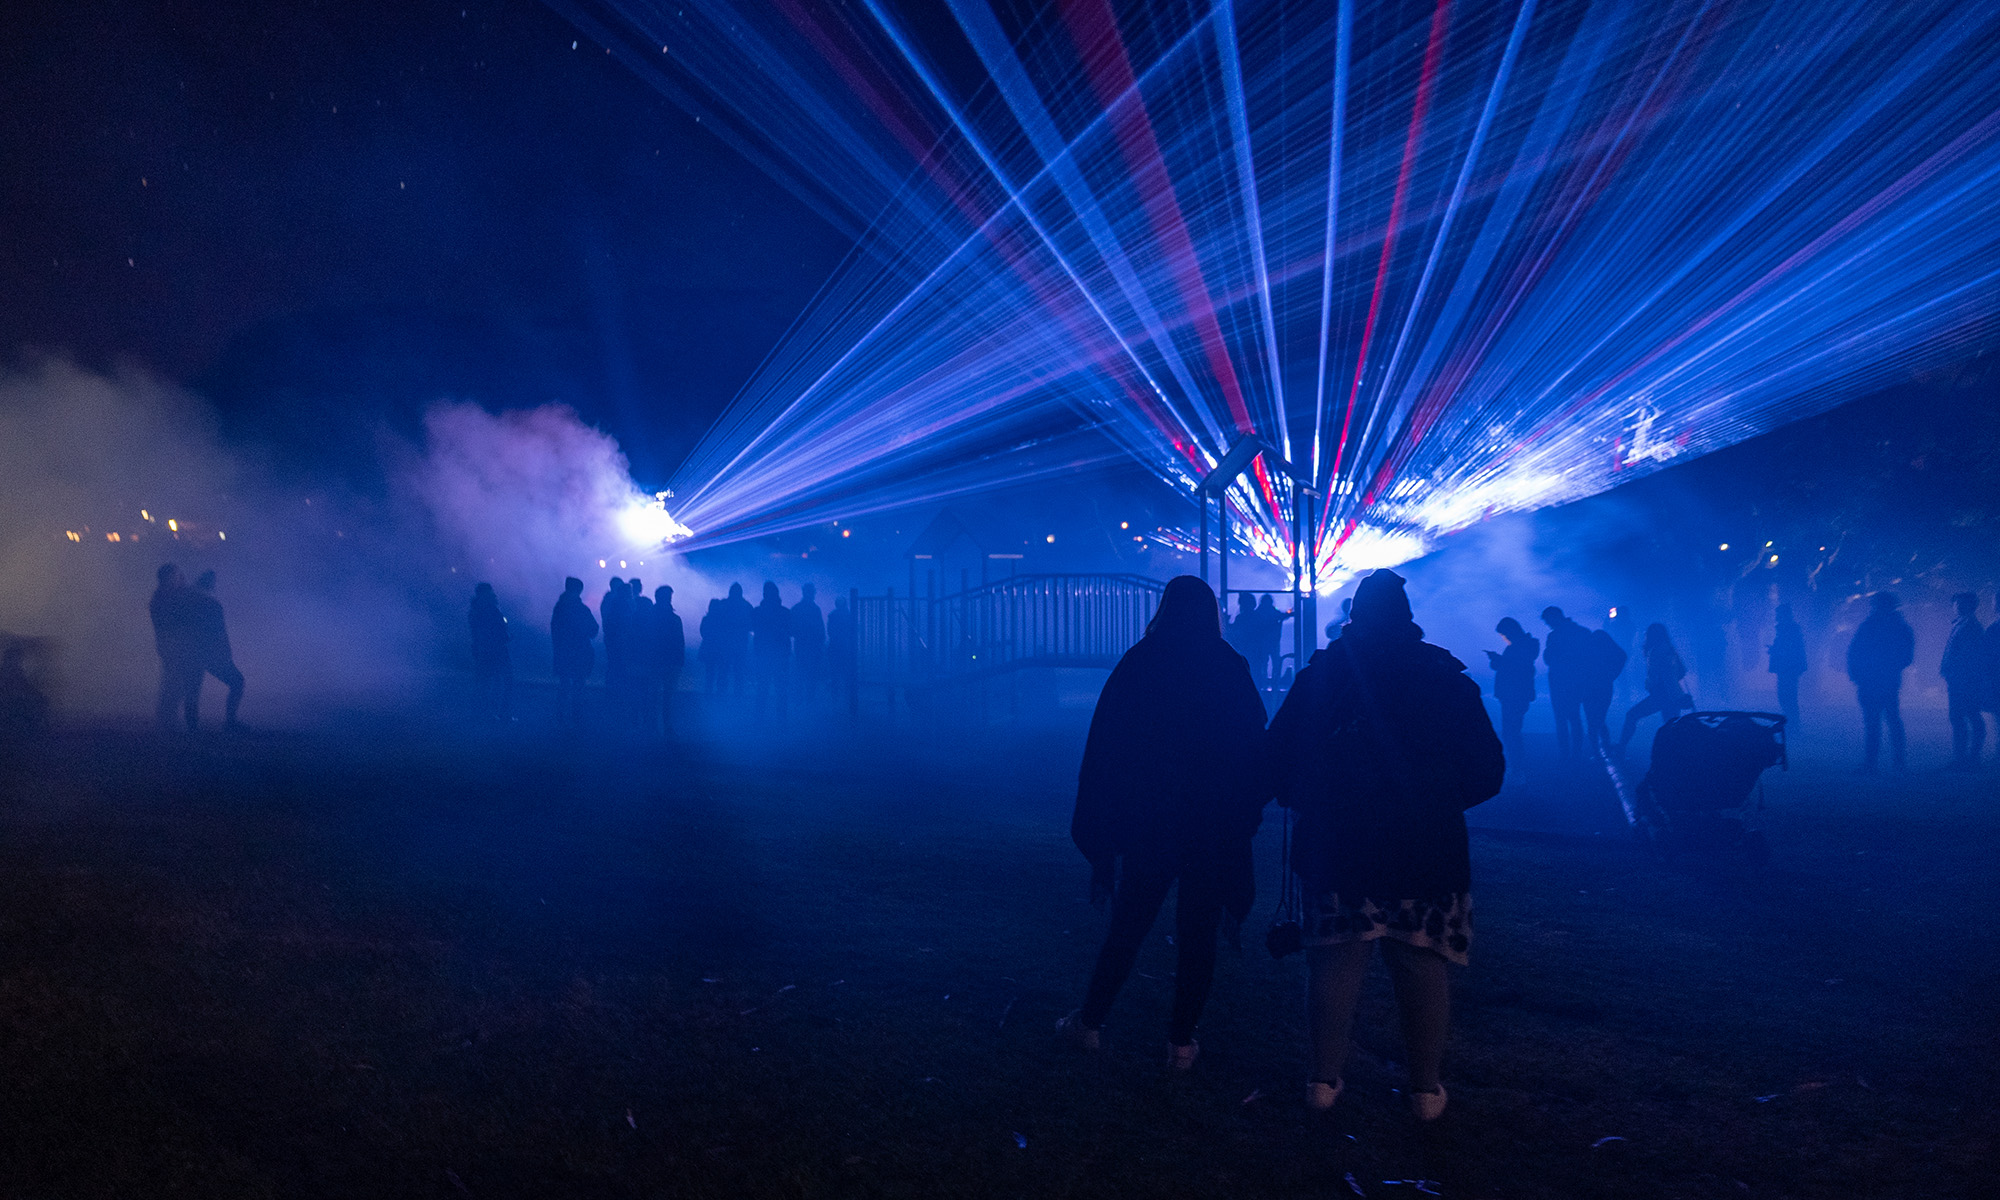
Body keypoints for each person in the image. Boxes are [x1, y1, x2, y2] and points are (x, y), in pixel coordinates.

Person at [1267, 569, 1504, 1120]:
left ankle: (1322, 1082)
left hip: (1339, 843)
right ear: (1407, 615)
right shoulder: (1446, 677)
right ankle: (1425, 1092)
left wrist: (1311, 795)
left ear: (1356, 615)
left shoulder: (1324, 675)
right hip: (1426, 849)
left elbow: (1278, 754)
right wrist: (1437, 805)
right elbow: (1488, 770)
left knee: (1335, 962)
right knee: (1422, 960)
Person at [1059, 576, 1266, 1068]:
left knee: (1129, 924)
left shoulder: (1141, 662)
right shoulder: (1227, 666)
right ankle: (1180, 1043)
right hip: (1210, 823)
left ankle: (1089, 1023)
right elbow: (1252, 747)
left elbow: (1106, 747)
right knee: (1198, 934)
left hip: (1152, 819)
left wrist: (1105, 827)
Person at [1847, 592, 1914, 774]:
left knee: (1874, 722)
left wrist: (1858, 674)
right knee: (1889, 720)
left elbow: (1854, 651)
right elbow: (1906, 656)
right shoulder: (1899, 627)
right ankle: (1896, 762)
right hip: (1885, 680)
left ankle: (1873, 763)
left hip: (1873, 681)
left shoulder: (1870, 626)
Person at [183, 570, 246, 730]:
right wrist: (225, 653)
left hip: (191, 652)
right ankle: (230, 722)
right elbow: (219, 633)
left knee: (192, 690)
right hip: (211, 653)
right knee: (237, 681)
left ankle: (192, 727)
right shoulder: (213, 605)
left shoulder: (186, 603)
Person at [1617, 624, 1691, 752]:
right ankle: (1677, 755)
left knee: (1632, 715)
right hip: (1673, 694)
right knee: (1671, 725)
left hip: (1662, 694)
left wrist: (1658, 685)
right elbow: (1682, 671)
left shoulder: (1656, 651)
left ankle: (1621, 748)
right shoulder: (1670, 649)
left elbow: (1659, 676)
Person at [149, 563, 200, 731]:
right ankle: (166, 720)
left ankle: (166, 719)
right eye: (176, 576)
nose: (178, 579)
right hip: (172, 647)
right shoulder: (164, 598)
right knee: (174, 683)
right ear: (168, 578)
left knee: (174, 683)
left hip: (171, 646)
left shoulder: (162, 596)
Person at [1941, 592, 1988, 769]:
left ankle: (1967, 758)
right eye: (1956, 603)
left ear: (1970, 606)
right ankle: (1966, 757)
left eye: (1961, 604)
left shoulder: (1969, 626)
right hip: (1960, 679)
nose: (1957, 606)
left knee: (1964, 716)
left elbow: (1969, 656)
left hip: (1964, 681)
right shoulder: (1964, 624)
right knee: (1965, 716)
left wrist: (1954, 673)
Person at [1540, 607, 1590, 759]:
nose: (1548, 624)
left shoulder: (1554, 636)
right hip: (1576, 682)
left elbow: (1548, 658)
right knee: (1574, 717)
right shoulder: (1582, 632)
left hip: (1559, 682)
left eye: (1548, 621)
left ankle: (1565, 754)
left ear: (1554, 618)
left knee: (1561, 719)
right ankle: (1576, 754)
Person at [1485, 618, 1538, 756]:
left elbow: (1513, 668)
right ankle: (1516, 758)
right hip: (1516, 693)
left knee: (1510, 729)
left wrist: (1496, 659)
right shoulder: (1526, 645)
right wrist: (1497, 660)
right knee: (1513, 728)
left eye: (1504, 634)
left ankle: (1515, 759)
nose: (1503, 638)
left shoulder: (1520, 647)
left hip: (1514, 693)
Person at [551, 577, 598, 726]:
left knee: (565, 685)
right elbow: (593, 629)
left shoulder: (559, 607)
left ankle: (561, 717)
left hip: (564, 652)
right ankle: (577, 717)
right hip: (579, 652)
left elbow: (555, 631)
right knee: (578, 685)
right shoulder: (581, 609)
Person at [1580, 621, 1628, 753]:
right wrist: (1612, 675)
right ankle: (1604, 747)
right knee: (1599, 718)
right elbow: (1622, 655)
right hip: (1603, 687)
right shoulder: (1603, 644)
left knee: (1593, 719)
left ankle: (1597, 750)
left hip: (1591, 687)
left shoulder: (1588, 646)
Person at [469, 583, 511, 722]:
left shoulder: (476, 610)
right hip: (495, 649)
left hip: (484, 649)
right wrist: (504, 636)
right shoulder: (490, 609)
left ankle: (485, 712)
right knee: (497, 681)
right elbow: (497, 628)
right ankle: (493, 713)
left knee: (486, 681)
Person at [751, 582, 791, 716]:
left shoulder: (757, 612)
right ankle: (781, 720)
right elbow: (792, 631)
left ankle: (759, 718)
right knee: (781, 689)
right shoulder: (785, 612)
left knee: (762, 687)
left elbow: (751, 627)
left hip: (763, 655)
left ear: (764, 594)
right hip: (780, 656)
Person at [652, 585, 685, 733]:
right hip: (669, 661)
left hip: (656, 660)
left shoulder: (651, 616)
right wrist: (680, 660)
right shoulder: (674, 619)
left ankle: (651, 725)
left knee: (654, 694)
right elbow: (679, 642)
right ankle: (666, 725)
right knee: (667, 696)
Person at [1768, 603, 1807, 725]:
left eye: (1778, 614)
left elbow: (1789, 650)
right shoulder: (1791, 629)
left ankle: (1793, 725)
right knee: (1788, 697)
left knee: (1787, 698)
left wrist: (1775, 651)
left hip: (1788, 669)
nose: (1776, 617)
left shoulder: (1788, 630)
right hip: (1789, 668)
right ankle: (1793, 725)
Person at [715, 583, 754, 695]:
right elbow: (752, 625)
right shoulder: (746, 605)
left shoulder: (723, 604)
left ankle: (721, 695)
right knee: (738, 670)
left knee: (724, 669)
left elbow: (716, 622)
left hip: (726, 643)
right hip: (740, 643)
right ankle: (738, 695)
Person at [791, 583, 826, 699]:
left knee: (801, 671)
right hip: (812, 646)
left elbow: (791, 629)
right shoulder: (815, 609)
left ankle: (799, 696)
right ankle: (809, 697)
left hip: (801, 645)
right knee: (811, 673)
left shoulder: (796, 608)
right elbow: (821, 629)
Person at [826, 594, 856, 703]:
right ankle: (846, 696)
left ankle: (836, 696)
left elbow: (830, 632)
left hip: (835, 647)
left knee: (835, 673)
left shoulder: (832, 615)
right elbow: (853, 631)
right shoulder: (849, 616)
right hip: (845, 648)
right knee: (846, 673)